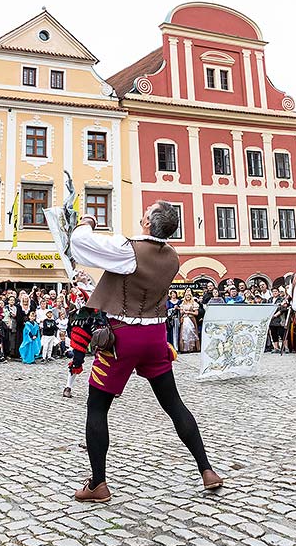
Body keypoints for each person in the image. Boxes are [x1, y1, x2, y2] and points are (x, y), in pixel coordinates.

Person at [70, 202, 222, 503]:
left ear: (149, 224)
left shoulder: (129, 249)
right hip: (155, 336)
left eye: (146, 212)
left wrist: (86, 221)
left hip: (123, 338)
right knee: (174, 404)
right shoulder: (173, 257)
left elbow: (80, 243)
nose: (142, 214)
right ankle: (206, 470)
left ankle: (97, 483)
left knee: (97, 407)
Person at [269, 286, 288, 353]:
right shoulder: (270, 300)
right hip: (271, 320)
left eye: (276, 291)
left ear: (278, 292)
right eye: (273, 292)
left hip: (280, 319)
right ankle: (276, 347)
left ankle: (286, 347)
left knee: (282, 333)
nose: (274, 293)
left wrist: (276, 314)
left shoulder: (282, 299)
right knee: (274, 334)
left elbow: (284, 308)